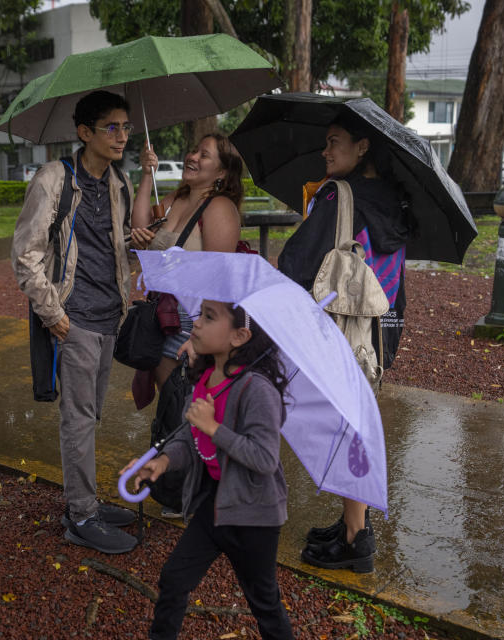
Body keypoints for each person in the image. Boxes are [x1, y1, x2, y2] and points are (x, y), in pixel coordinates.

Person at [278, 113, 411, 573]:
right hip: (377, 330)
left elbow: (295, 263)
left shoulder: (337, 196)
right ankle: (354, 520)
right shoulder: (394, 201)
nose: (325, 151)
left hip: (339, 331)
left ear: (363, 147)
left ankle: (356, 540)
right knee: (358, 419)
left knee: (345, 427)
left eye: (334, 142)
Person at [121, 299, 294, 640]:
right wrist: (163, 461)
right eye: (200, 313)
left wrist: (215, 428)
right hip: (214, 504)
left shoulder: (257, 390)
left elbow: (264, 458)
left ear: (239, 336)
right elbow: (189, 437)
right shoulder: (205, 377)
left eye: (209, 317)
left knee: (264, 602)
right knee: (174, 579)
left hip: (254, 515)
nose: (196, 323)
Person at [12, 90, 139, 554]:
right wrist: (54, 315)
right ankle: (81, 515)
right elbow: (25, 254)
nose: (122, 135)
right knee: (79, 420)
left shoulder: (119, 183)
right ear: (84, 132)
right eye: (112, 127)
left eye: (126, 127)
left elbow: (116, 245)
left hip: (110, 316)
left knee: (91, 416)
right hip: (75, 319)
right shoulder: (54, 179)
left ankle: (86, 501)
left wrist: (140, 237)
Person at [129, 134, 243, 390]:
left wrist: (200, 335)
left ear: (222, 172)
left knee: (189, 402)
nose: (192, 157)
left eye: (204, 155)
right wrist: (147, 175)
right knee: (171, 401)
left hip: (192, 320)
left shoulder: (219, 208)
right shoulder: (174, 200)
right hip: (163, 315)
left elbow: (218, 281)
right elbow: (140, 230)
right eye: (194, 150)